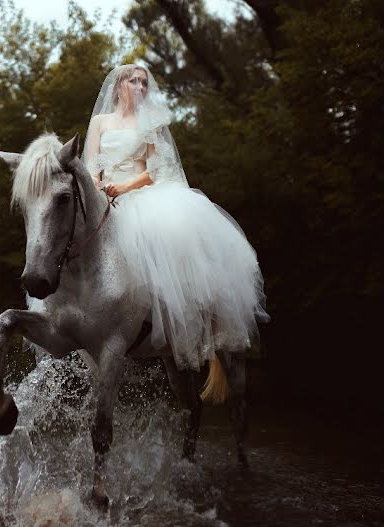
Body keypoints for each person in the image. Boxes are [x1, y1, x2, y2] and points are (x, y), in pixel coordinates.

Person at [83, 64, 268, 370]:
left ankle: (183, 320)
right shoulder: (101, 122)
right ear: (118, 87)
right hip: (106, 197)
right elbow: (90, 164)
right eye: (134, 81)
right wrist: (98, 187)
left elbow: (156, 170)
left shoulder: (150, 124)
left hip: (141, 196)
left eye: (144, 82)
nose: (141, 87)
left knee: (169, 240)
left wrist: (124, 187)